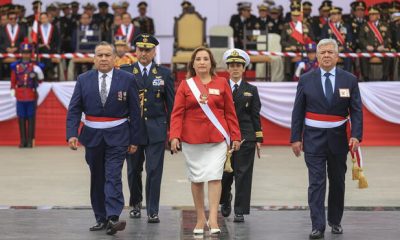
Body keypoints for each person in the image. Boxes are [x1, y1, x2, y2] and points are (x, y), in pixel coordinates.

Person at [290, 39, 363, 239]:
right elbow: (298, 111)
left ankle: (335, 220)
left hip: (340, 140)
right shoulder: (306, 79)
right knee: (316, 183)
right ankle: (317, 225)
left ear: (337, 56)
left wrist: (356, 135)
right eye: (322, 52)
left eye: (331, 52)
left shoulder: (349, 80)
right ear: (317, 56)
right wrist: (295, 138)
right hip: (313, 140)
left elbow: (356, 111)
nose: (326, 55)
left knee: (338, 181)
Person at [66, 41, 140, 235]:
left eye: (108, 55)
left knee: (113, 175)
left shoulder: (127, 79)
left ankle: (113, 216)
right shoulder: (83, 79)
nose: (104, 58)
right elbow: (74, 109)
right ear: (94, 58)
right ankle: (101, 217)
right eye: (100, 55)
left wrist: (134, 139)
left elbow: (135, 111)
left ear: (115, 58)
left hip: (118, 136)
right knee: (97, 177)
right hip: (92, 137)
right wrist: (72, 134)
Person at [169, 47, 241, 235]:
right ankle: (200, 217)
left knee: (215, 177)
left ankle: (214, 218)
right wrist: (174, 136)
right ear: (193, 64)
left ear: (211, 63)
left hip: (217, 139)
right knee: (197, 179)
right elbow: (177, 113)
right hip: (193, 141)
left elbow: (230, 113)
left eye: (205, 59)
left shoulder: (222, 82)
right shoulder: (186, 85)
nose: (202, 62)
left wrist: (236, 136)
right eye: (198, 59)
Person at [120, 34, 174, 223]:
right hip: (132, 130)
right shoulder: (125, 71)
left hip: (156, 129)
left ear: (154, 51)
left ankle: (153, 209)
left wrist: (173, 133)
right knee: (133, 170)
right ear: (135, 50)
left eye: (148, 50)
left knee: (154, 170)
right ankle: (135, 203)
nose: (143, 53)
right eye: (140, 49)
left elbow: (171, 106)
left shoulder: (164, 74)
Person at [220, 49, 263, 223]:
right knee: (223, 175)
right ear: (227, 68)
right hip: (224, 138)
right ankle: (225, 199)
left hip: (246, 137)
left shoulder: (251, 89)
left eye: (239, 65)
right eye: (232, 65)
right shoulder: (220, 87)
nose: (235, 68)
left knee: (243, 175)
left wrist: (258, 139)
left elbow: (255, 115)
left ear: (244, 68)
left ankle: (240, 210)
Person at [10, 41, 44, 148]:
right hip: (20, 95)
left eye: (28, 52)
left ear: (31, 53)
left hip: (31, 94)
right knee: (21, 118)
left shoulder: (35, 66)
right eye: (24, 52)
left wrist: (39, 73)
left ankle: (30, 141)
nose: (26, 55)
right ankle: (23, 141)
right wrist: (12, 93)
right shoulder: (16, 66)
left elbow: (41, 81)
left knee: (31, 119)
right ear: (21, 53)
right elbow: (13, 82)